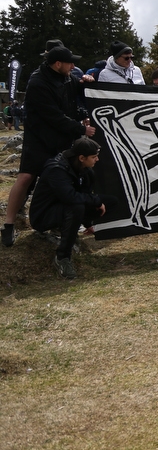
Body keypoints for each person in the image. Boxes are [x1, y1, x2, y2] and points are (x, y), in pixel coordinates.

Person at [3, 46, 96, 247]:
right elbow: (53, 116)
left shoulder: (68, 77)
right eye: (70, 62)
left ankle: (61, 221)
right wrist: (80, 130)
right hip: (38, 140)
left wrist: (87, 84)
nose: (74, 66)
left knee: (63, 180)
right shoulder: (37, 83)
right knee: (27, 177)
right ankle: (9, 224)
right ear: (57, 64)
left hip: (61, 140)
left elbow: (72, 103)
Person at [30, 137, 116, 279]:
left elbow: (84, 194)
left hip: (65, 208)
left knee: (110, 202)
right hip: (43, 217)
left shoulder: (85, 170)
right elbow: (70, 197)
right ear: (81, 157)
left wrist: (88, 223)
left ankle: (72, 227)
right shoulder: (56, 169)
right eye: (94, 157)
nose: (97, 160)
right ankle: (62, 257)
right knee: (77, 207)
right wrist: (95, 201)